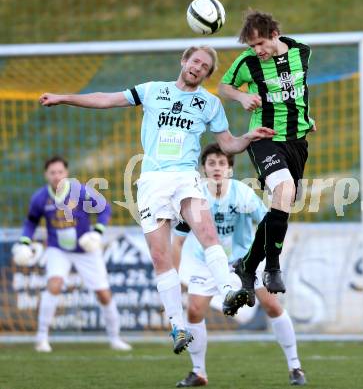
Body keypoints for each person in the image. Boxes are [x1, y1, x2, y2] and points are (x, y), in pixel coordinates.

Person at [38, 46, 275, 354]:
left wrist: (249, 137)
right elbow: (107, 99)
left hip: (185, 178)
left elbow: (228, 144)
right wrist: (64, 97)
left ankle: (230, 290)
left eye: (205, 66)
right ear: (184, 61)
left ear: (207, 74)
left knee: (207, 232)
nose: (198, 67)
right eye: (195, 61)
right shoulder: (152, 91)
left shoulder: (210, 103)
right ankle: (177, 326)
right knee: (161, 258)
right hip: (152, 182)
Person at [172, 143, 306, 387]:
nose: (216, 168)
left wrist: (267, 260)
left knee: (272, 306)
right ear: (203, 169)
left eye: (222, 163)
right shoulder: (195, 197)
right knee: (193, 311)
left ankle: (295, 366)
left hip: (243, 261)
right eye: (211, 163)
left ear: (230, 169)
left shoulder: (243, 194)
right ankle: (199, 372)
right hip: (207, 264)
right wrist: (172, 276)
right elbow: (178, 240)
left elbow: (269, 224)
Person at [218, 10, 316, 302]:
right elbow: (224, 86)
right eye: (252, 46)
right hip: (264, 138)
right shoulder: (247, 63)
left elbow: (297, 92)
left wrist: (306, 118)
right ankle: (271, 267)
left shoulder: (302, 52)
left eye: (260, 44)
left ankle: (247, 266)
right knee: (283, 190)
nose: (257, 51)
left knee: (282, 205)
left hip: (297, 141)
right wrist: (242, 96)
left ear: (275, 35)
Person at [11, 156, 131, 353]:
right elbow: (31, 222)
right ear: (46, 175)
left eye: (60, 172)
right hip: (58, 249)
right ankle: (41, 338)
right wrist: (25, 241)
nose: (56, 176)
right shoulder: (40, 198)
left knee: (103, 293)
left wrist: (97, 232)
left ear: (66, 173)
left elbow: (105, 208)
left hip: (86, 250)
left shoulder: (81, 191)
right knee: (54, 285)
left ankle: (115, 338)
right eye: (52, 172)